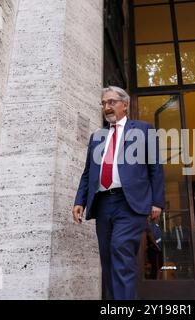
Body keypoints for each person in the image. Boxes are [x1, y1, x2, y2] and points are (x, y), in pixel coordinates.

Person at [72, 86, 165, 300]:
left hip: (130, 204)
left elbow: (155, 167)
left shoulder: (143, 130)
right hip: (103, 204)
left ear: (125, 104)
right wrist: (80, 200)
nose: (107, 107)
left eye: (111, 102)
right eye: (104, 103)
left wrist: (157, 202)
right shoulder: (97, 136)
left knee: (120, 250)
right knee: (108, 260)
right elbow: (88, 173)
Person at [146, 215, 163, 280]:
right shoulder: (152, 226)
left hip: (158, 250)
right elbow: (150, 235)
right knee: (156, 267)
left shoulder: (157, 226)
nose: (159, 218)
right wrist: (157, 246)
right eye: (158, 217)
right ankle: (155, 283)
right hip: (154, 251)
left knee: (158, 267)